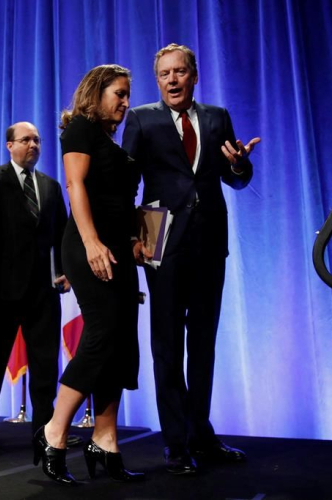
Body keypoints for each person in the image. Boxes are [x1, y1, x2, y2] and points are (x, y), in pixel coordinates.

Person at [122, 43, 260, 475]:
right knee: (166, 346)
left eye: (180, 72)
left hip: (209, 244)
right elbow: (127, 185)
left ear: (194, 76)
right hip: (160, 240)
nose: (173, 80)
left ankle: (202, 433)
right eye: (165, 74)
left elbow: (235, 178)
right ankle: (176, 443)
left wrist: (239, 168)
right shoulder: (141, 118)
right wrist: (132, 236)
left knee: (203, 344)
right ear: (157, 80)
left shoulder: (217, 117)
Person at [32, 65, 144, 485]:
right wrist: (93, 242)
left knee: (120, 342)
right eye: (119, 93)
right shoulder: (79, 128)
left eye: (128, 94)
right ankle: (54, 430)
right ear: (96, 94)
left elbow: (120, 200)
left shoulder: (112, 143)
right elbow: (75, 186)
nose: (125, 102)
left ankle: (105, 438)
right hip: (87, 245)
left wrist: (134, 239)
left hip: (119, 250)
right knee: (102, 334)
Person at [0, 122, 72, 449]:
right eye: (26, 140)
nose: (33, 145)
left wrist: (67, 269)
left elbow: (63, 235)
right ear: (9, 145)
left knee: (44, 366)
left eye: (37, 140)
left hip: (43, 292)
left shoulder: (51, 187)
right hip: (1, 290)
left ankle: (45, 432)